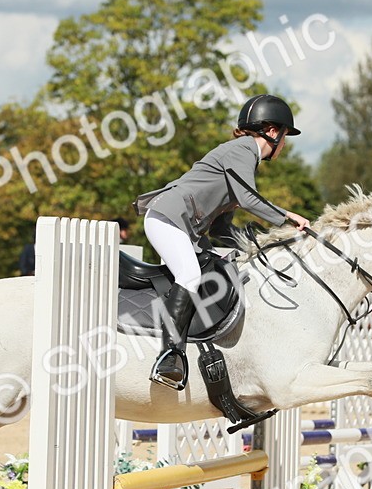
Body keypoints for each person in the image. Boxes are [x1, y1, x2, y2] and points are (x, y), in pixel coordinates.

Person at [132, 93, 309, 389]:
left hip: (181, 225)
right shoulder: (243, 150)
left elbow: (220, 228)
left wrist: (252, 249)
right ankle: (169, 355)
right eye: (286, 137)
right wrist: (288, 217)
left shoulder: (242, 158)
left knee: (215, 267)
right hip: (167, 218)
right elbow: (250, 199)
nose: (285, 146)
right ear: (273, 132)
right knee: (189, 274)